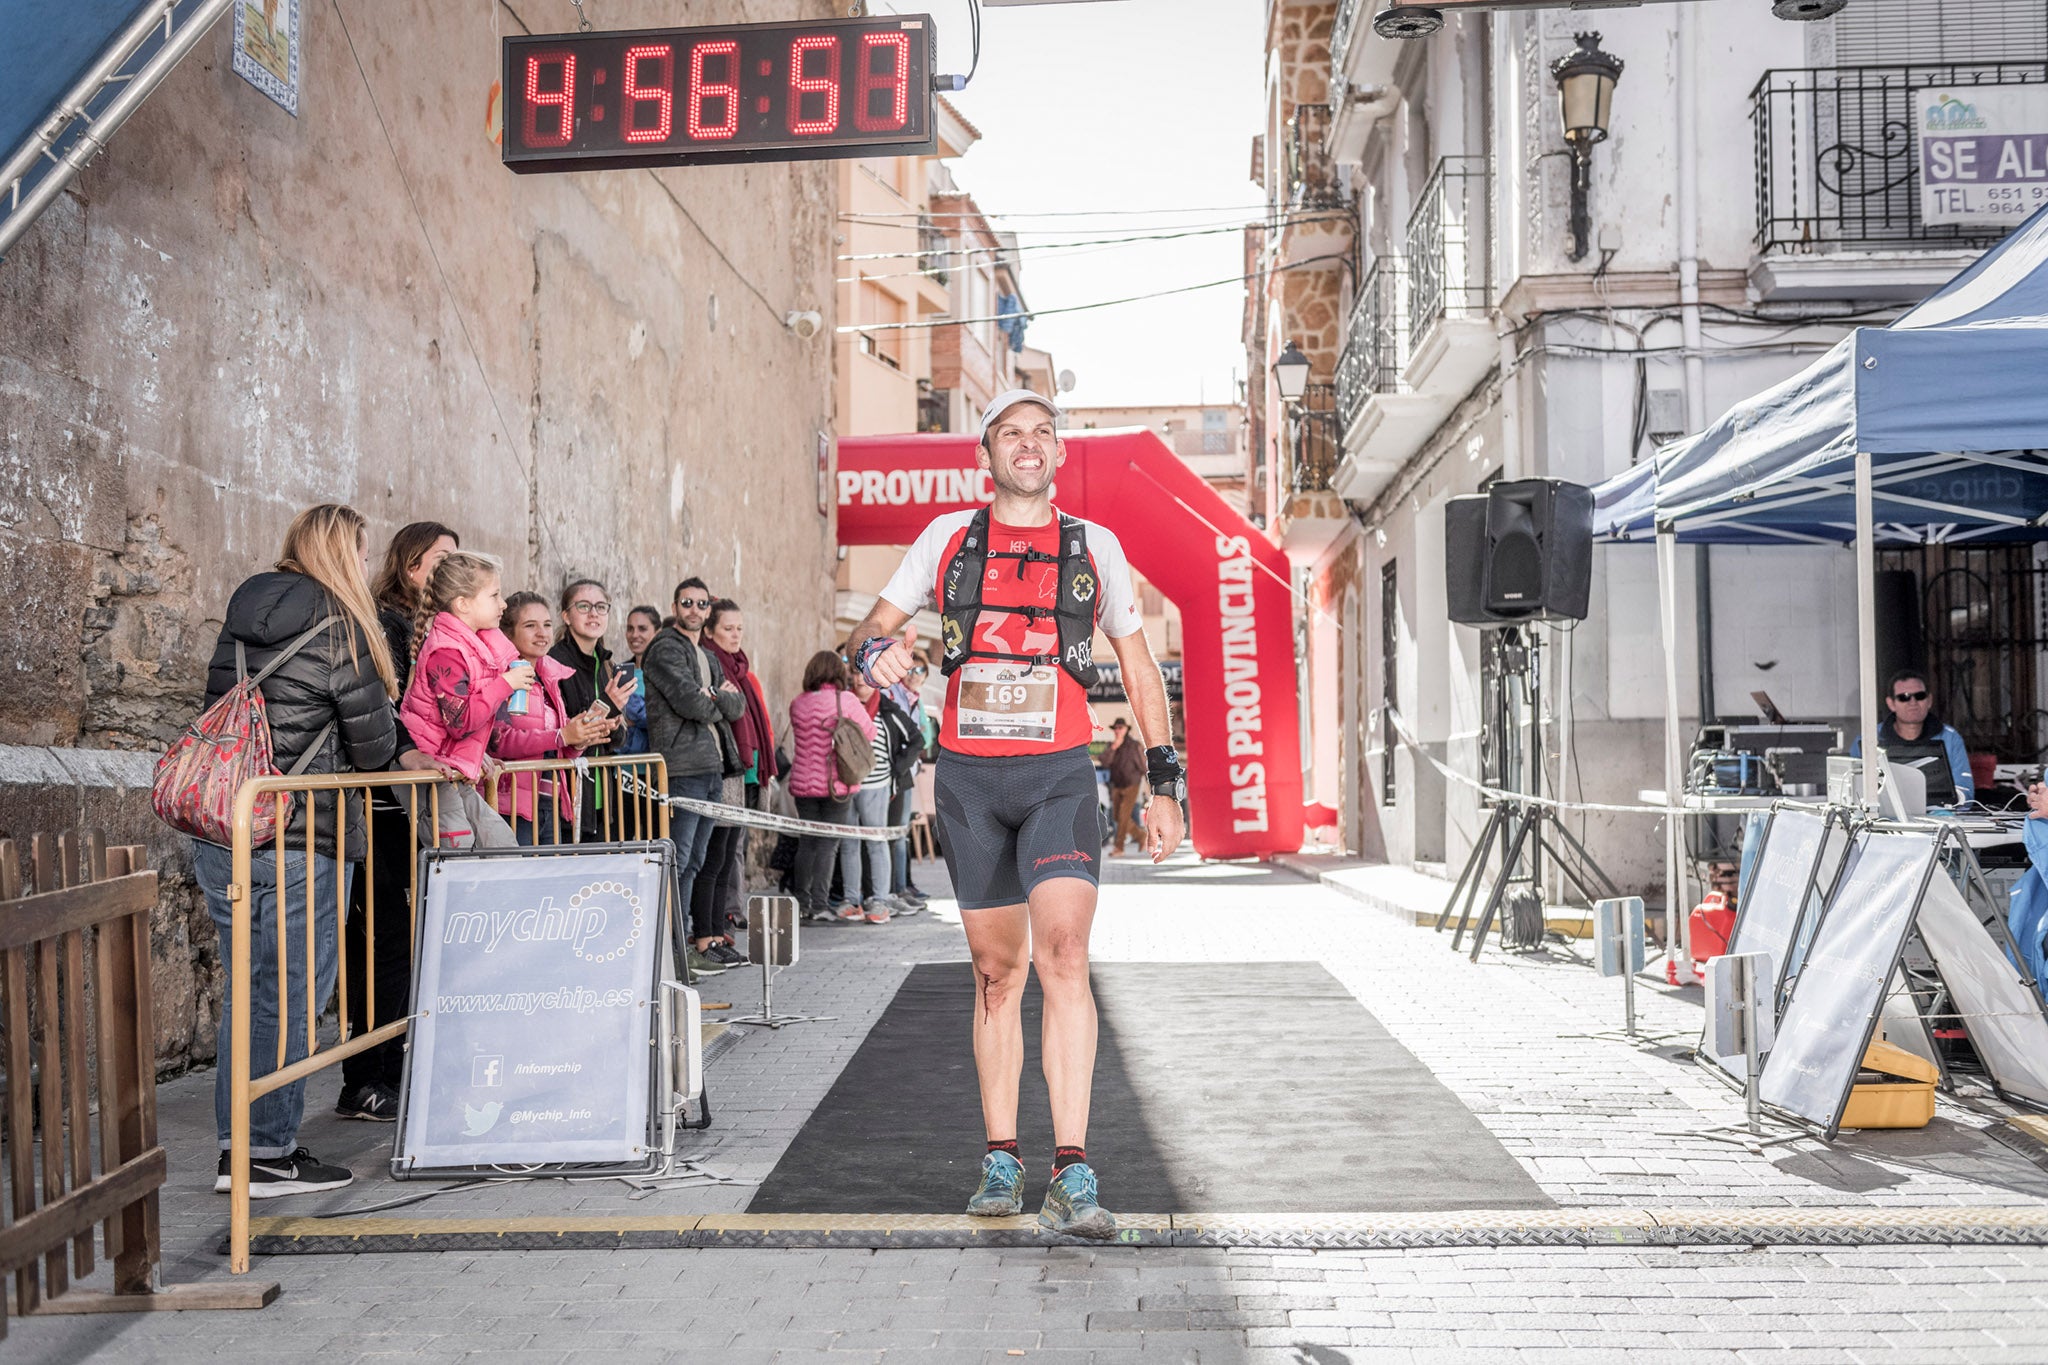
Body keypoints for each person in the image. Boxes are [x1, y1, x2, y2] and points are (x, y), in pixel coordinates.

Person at [849, 388, 1186, 1240]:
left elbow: (1139, 669)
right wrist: (876, 656)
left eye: (1042, 432)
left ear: (1058, 453)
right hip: (968, 783)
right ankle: (1002, 1155)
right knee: (999, 973)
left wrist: (1165, 782)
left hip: (1058, 779)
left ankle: (1073, 1169)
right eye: (1011, 433)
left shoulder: (1095, 548)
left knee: (1065, 955)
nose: (1028, 445)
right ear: (986, 453)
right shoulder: (945, 540)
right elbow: (868, 636)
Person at [192, 503, 398, 1196]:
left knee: (246, 996)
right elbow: (374, 748)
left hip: (228, 823)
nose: (367, 566)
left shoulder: (246, 601)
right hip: (302, 834)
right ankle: (269, 1155)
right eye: (363, 551)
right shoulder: (340, 622)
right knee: (290, 998)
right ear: (345, 553)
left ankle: (239, 1150)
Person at [339, 520, 459, 1123]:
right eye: (442, 561)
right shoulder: (384, 623)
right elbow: (385, 710)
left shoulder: (429, 627)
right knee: (380, 942)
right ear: (412, 566)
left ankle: (394, 1066)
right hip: (378, 805)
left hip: (405, 802)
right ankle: (366, 1078)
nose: (452, 572)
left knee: (398, 942)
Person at [642, 577, 747, 975]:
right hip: (681, 767)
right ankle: (671, 951)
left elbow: (734, 705)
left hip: (711, 766)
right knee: (680, 859)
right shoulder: (665, 647)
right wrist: (714, 699)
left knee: (699, 860)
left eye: (702, 604)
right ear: (675, 604)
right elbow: (691, 702)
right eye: (687, 602)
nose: (694, 610)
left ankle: (684, 944)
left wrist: (715, 698)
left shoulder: (706, 653)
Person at [400, 551, 527, 849]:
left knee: (501, 845)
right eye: (495, 595)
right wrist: (505, 684)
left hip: (449, 767)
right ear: (463, 604)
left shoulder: (471, 646)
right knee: (457, 849)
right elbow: (458, 722)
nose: (503, 603)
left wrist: (473, 753)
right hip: (428, 772)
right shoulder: (447, 651)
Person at [493, 591, 613, 845]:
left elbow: (557, 748)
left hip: (549, 802)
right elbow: (498, 741)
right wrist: (561, 736)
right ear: (507, 633)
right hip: (510, 804)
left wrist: (579, 738)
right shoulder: (501, 676)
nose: (542, 633)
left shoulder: (550, 677)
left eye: (547, 625)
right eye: (530, 626)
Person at [701, 599, 780, 947]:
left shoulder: (741, 669)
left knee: (733, 850)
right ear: (710, 631)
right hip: (724, 769)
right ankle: (714, 929)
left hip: (747, 772)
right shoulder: (711, 664)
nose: (735, 636)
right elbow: (725, 711)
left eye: (739, 629)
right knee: (716, 857)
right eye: (728, 629)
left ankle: (722, 929)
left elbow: (753, 714)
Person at [786, 650, 875, 924]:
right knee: (828, 845)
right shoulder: (845, 700)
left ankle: (800, 903)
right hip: (836, 785)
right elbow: (868, 733)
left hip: (802, 783)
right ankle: (820, 904)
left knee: (807, 844)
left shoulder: (797, 703)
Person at [547, 579, 636, 838]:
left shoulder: (607, 664)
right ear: (566, 615)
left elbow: (617, 739)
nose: (594, 613)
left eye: (601, 607)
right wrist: (608, 708)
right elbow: (566, 732)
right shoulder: (555, 663)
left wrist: (614, 724)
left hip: (600, 794)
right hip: (567, 792)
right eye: (583, 606)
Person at [846, 671, 914, 922]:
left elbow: (916, 740)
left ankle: (881, 900)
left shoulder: (888, 709)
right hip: (848, 784)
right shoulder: (843, 702)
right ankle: (851, 899)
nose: (859, 679)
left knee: (876, 841)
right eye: (854, 673)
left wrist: (896, 769)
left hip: (877, 784)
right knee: (848, 842)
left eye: (864, 675)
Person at [1853, 669, 1975, 807]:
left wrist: (1945, 804)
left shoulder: (1951, 738)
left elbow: (1966, 791)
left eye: (1920, 696)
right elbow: (1854, 790)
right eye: (1904, 697)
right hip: (1885, 819)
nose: (1913, 702)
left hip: (1940, 821)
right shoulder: (1868, 739)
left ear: (1929, 700)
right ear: (1891, 703)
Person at [884, 663, 931, 910]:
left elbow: (925, 736)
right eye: (910, 668)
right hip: (894, 771)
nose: (914, 673)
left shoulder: (914, 698)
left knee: (900, 833)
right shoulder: (891, 693)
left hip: (906, 771)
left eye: (920, 669)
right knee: (893, 834)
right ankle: (893, 889)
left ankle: (902, 887)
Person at [615, 605, 663, 756]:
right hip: (622, 766)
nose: (634, 634)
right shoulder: (619, 673)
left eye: (642, 628)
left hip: (655, 766)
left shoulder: (666, 674)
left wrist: (633, 716)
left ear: (657, 633)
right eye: (630, 628)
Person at [1101, 718, 1145, 857]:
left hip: (1132, 784)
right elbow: (1104, 762)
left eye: (1121, 728)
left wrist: (1151, 786)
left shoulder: (1134, 745)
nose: (1118, 730)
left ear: (1126, 729)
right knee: (1117, 816)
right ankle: (1141, 836)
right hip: (1116, 784)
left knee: (1123, 816)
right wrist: (1114, 747)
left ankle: (1119, 848)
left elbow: (1143, 765)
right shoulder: (1111, 745)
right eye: (1116, 728)